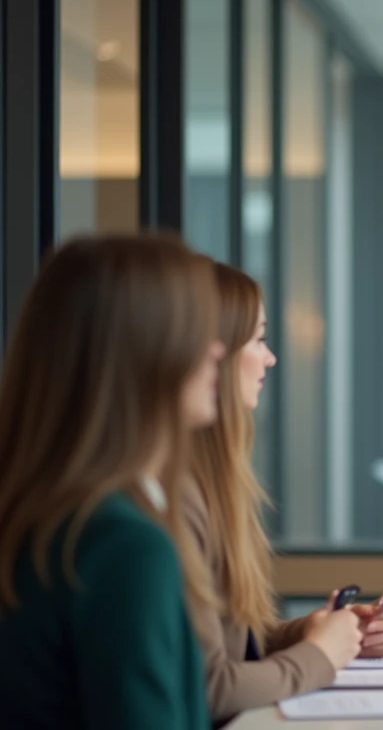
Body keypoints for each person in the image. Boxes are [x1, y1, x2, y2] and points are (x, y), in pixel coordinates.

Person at [0, 235, 223, 729]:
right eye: (198, 331)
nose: (217, 349)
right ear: (144, 352)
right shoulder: (124, 546)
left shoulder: (43, 519)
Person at [183, 262, 383, 725]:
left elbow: (230, 647)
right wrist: (319, 655)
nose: (269, 358)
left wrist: (318, 633)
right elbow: (209, 685)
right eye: (258, 339)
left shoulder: (208, 482)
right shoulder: (169, 500)